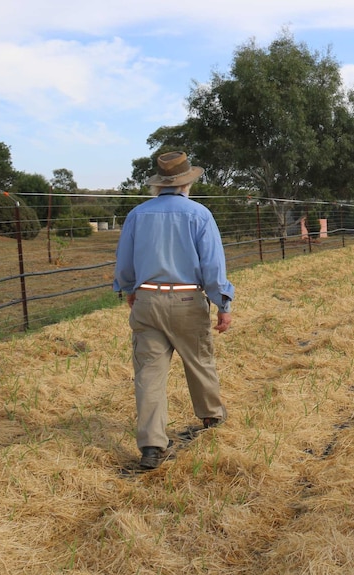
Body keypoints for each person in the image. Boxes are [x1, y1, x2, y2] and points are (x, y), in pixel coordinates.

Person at [113, 151, 234, 469]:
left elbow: (124, 263)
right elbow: (212, 265)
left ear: (159, 184)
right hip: (186, 301)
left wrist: (129, 289)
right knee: (199, 362)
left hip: (148, 300)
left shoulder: (137, 215)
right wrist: (223, 303)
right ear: (186, 183)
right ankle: (211, 420)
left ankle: (152, 446)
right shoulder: (199, 215)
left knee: (149, 374)